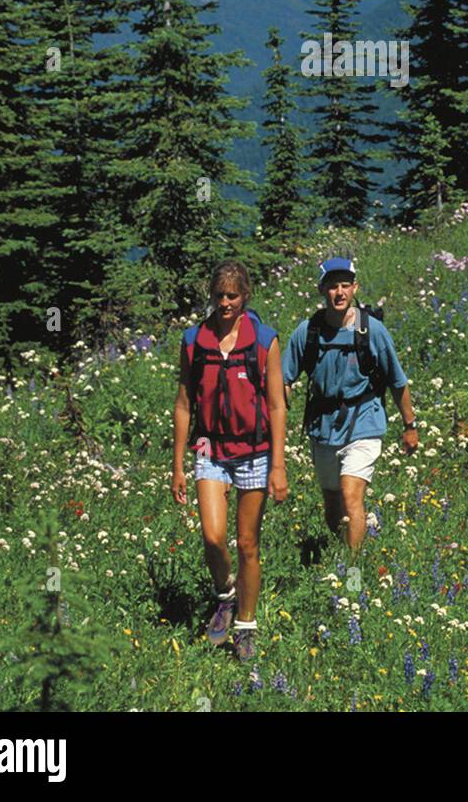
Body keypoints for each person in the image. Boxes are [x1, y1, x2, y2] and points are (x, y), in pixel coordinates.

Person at [171, 260, 288, 663]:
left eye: (232, 296)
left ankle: (246, 626)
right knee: (213, 536)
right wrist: (177, 466)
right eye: (219, 295)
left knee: (248, 543)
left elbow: (276, 405)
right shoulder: (193, 342)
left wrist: (278, 465)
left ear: (245, 297)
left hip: (254, 450)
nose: (225, 303)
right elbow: (184, 404)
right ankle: (225, 593)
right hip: (207, 447)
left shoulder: (264, 342)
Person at [283, 255, 417, 552]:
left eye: (345, 285)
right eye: (332, 286)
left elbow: (397, 380)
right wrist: (275, 418)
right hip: (323, 426)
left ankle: (353, 574)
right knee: (332, 500)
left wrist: (410, 425)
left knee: (351, 495)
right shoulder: (307, 332)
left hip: (364, 420)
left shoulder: (372, 331)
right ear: (322, 290)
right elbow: (285, 379)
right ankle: (340, 553)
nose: (339, 292)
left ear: (355, 288)